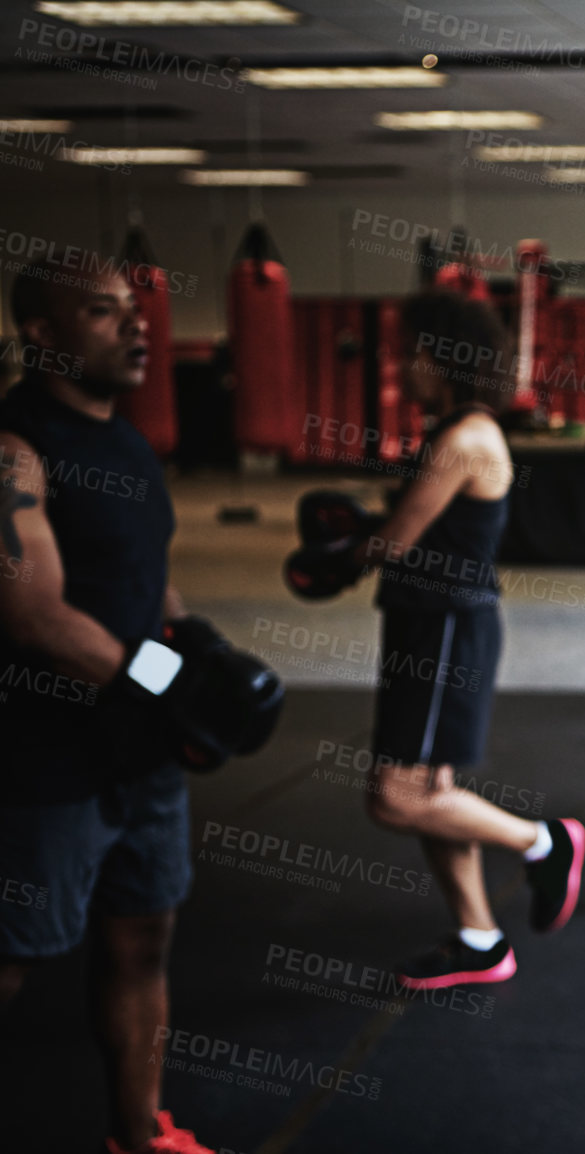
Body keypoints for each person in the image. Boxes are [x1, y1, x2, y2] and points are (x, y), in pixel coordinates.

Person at [0, 255, 281, 1154]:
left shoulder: (127, 445)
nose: (137, 325)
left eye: (135, 308)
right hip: (45, 757)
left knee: (142, 943)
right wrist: (169, 685)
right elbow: (33, 615)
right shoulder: (15, 450)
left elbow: (145, 583)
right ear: (42, 333)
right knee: (13, 957)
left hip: (142, 754)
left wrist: (204, 653)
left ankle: (137, 1135)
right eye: (103, 311)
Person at [290, 290, 585, 988]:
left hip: (446, 629)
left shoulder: (465, 439)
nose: (404, 367)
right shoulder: (455, 431)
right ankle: (481, 940)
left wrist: (343, 555)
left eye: (413, 354)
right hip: (430, 622)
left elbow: (395, 543)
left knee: (395, 797)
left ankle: (543, 842)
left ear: (445, 358)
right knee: (432, 790)